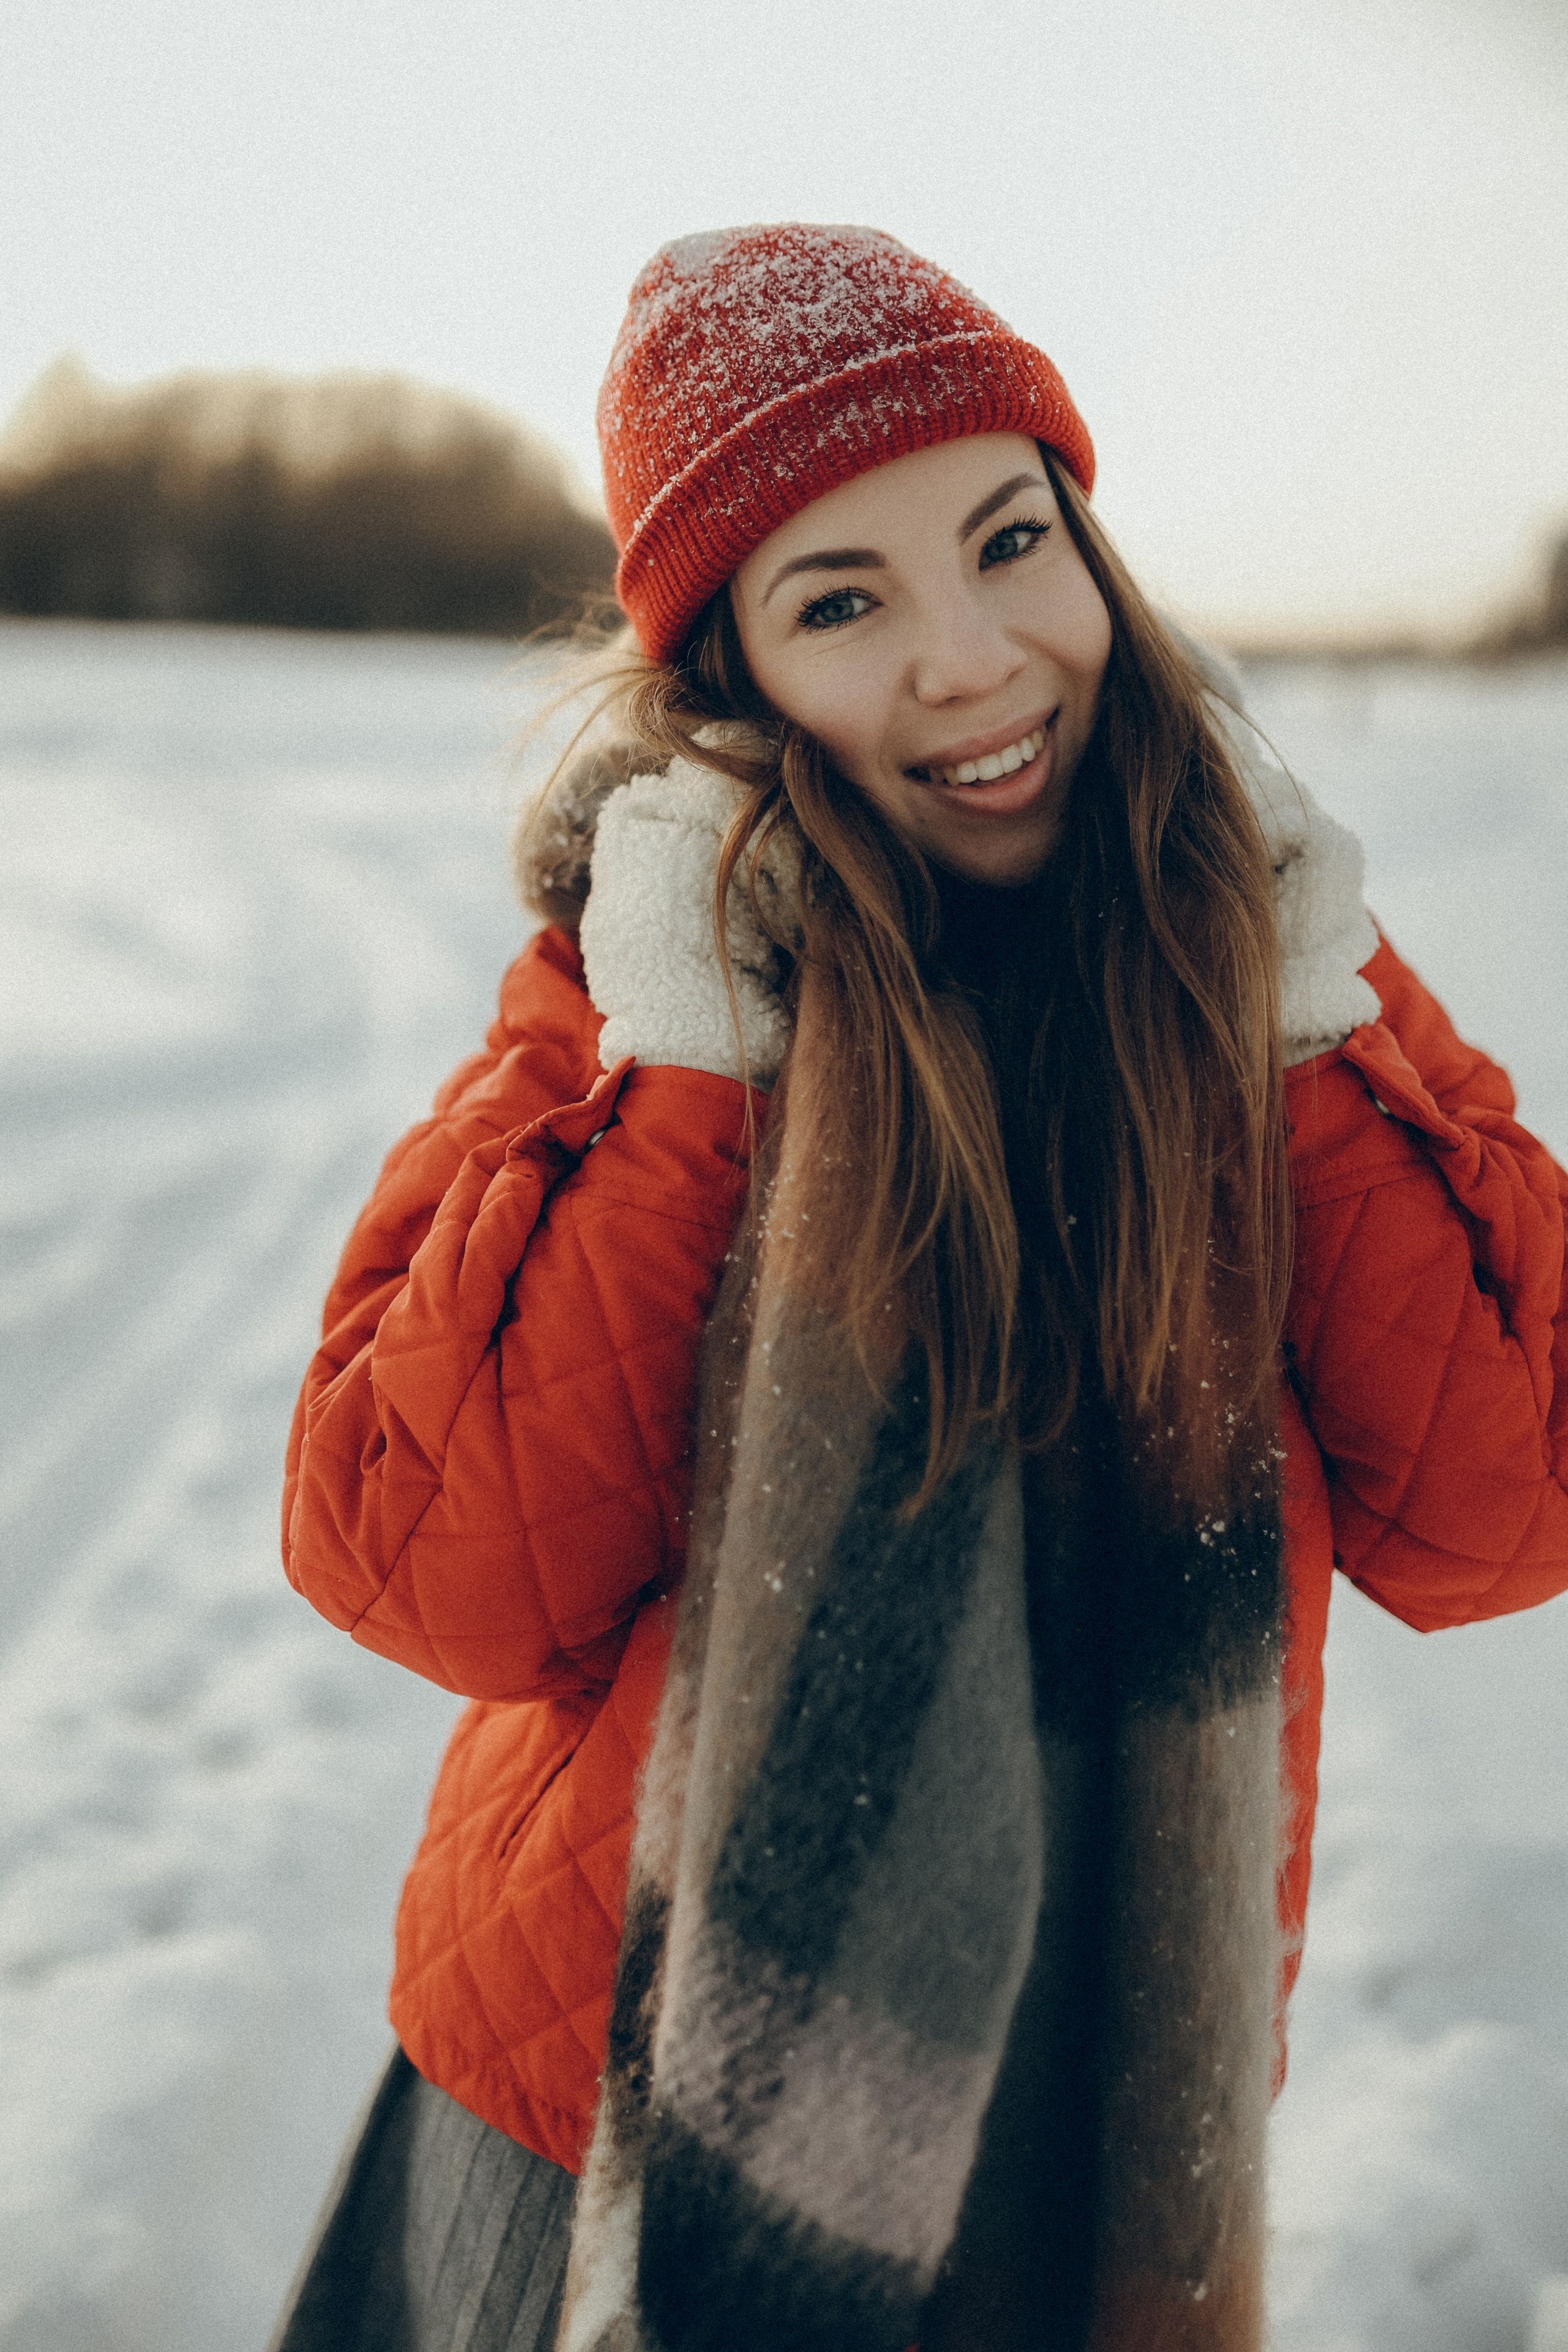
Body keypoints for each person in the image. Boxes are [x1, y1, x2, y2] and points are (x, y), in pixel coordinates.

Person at [270, 225, 1568, 2352]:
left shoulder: (1268, 978)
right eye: (841, 600)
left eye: (1007, 541)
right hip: (619, 2129)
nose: (970, 658)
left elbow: (1510, 1502)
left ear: (1092, 547)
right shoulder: (629, 998)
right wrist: (688, 1050)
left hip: (1102, 2133)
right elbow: (433, 1572)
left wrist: (1313, 1011)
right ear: (730, 675)